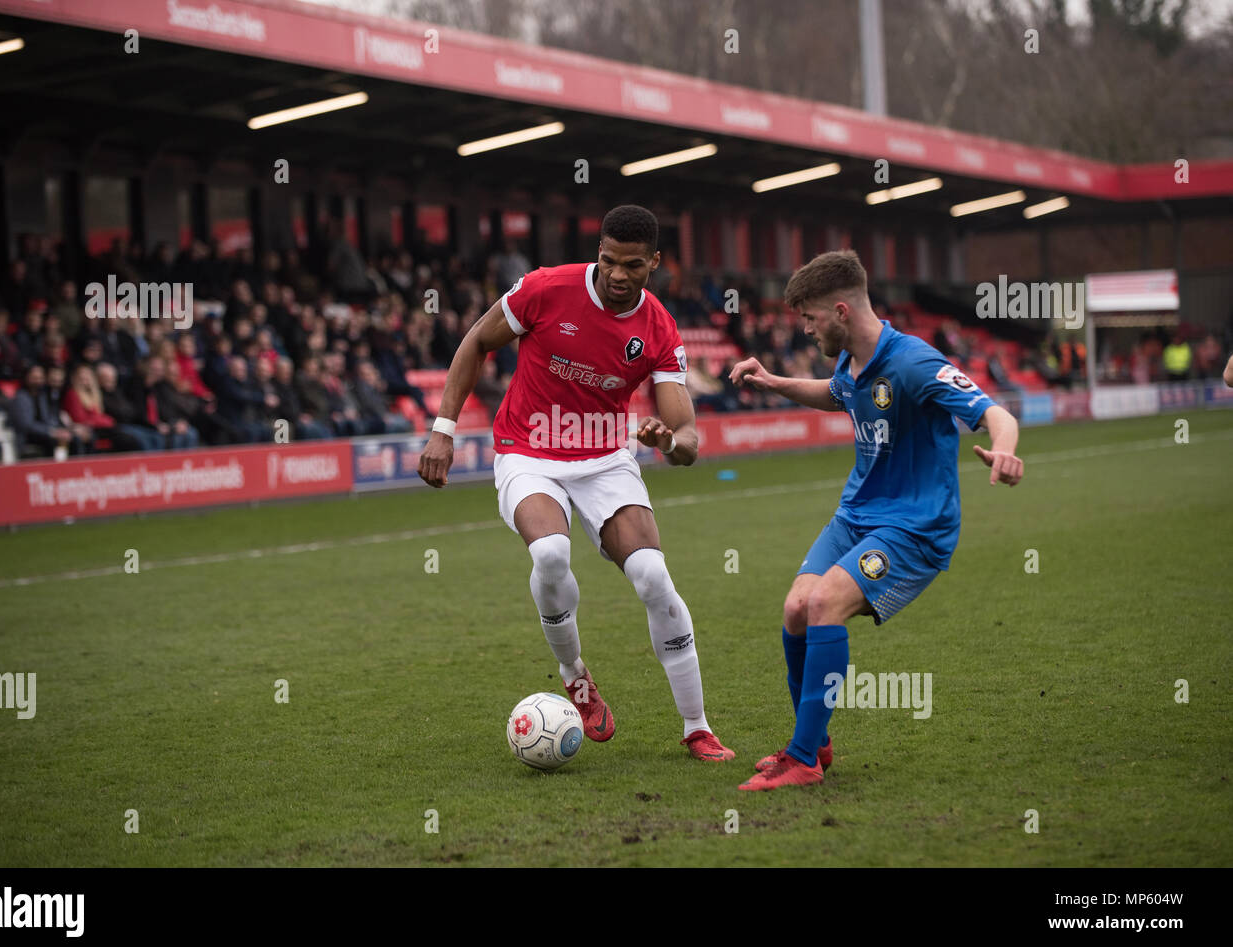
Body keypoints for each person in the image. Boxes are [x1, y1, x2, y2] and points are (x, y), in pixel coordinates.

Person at [417, 204, 734, 762]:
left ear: (655, 263)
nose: (616, 274)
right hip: (528, 451)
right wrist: (443, 430)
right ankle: (575, 676)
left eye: (632, 266)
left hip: (606, 459)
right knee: (551, 555)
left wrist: (668, 442)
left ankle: (696, 726)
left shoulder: (658, 325)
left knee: (653, 576)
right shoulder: (545, 288)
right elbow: (476, 342)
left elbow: (687, 437)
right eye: (607, 260)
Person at [728, 250, 1024, 791]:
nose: (806, 330)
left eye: (811, 320)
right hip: (856, 515)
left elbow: (993, 412)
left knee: (823, 604)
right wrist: (775, 383)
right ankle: (814, 740)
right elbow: (836, 394)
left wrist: (1003, 450)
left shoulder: (913, 363)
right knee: (796, 608)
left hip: (914, 526)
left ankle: (803, 760)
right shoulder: (850, 359)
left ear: (841, 311)